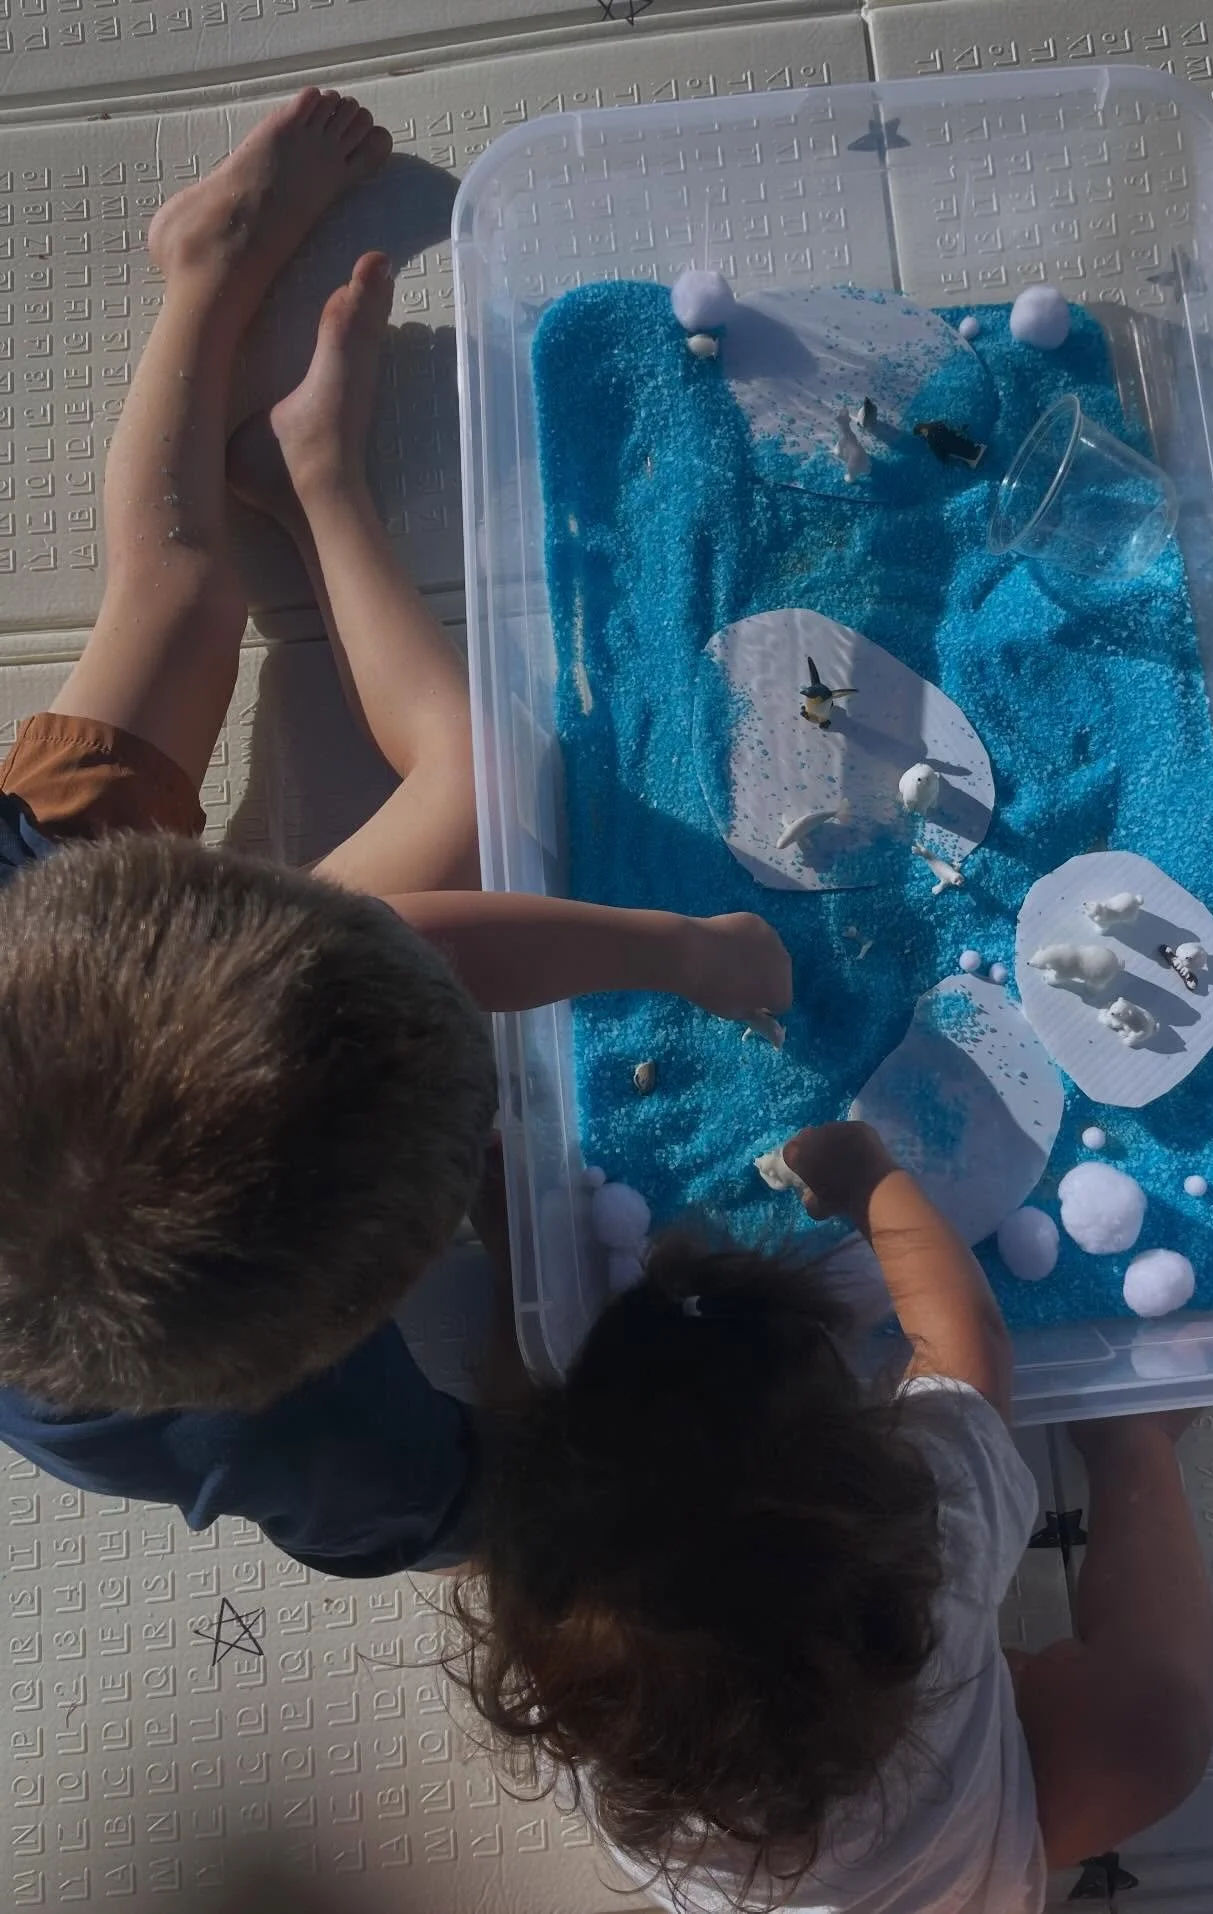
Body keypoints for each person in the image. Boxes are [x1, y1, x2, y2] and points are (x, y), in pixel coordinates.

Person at [0, 89, 790, 1577]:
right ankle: (314, 472)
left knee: (178, 595)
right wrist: (517, 1248)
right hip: (70, 971)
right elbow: (495, 1502)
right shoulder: (294, 1439)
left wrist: (688, 952)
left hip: (36, 904)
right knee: (427, 755)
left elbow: (408, 944)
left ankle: (211, 267)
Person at [446, 1120, 1213, 1911]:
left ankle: (513, 1267)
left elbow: (519, 1455)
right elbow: (969, 1344)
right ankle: (1136, 1449)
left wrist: (520, 1270)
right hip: (973, 1855)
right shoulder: (935, 1557)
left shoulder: (571, 1679)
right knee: (1152, 1738)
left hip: (842, 1869)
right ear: (881, 1487)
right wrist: (869, 1180)